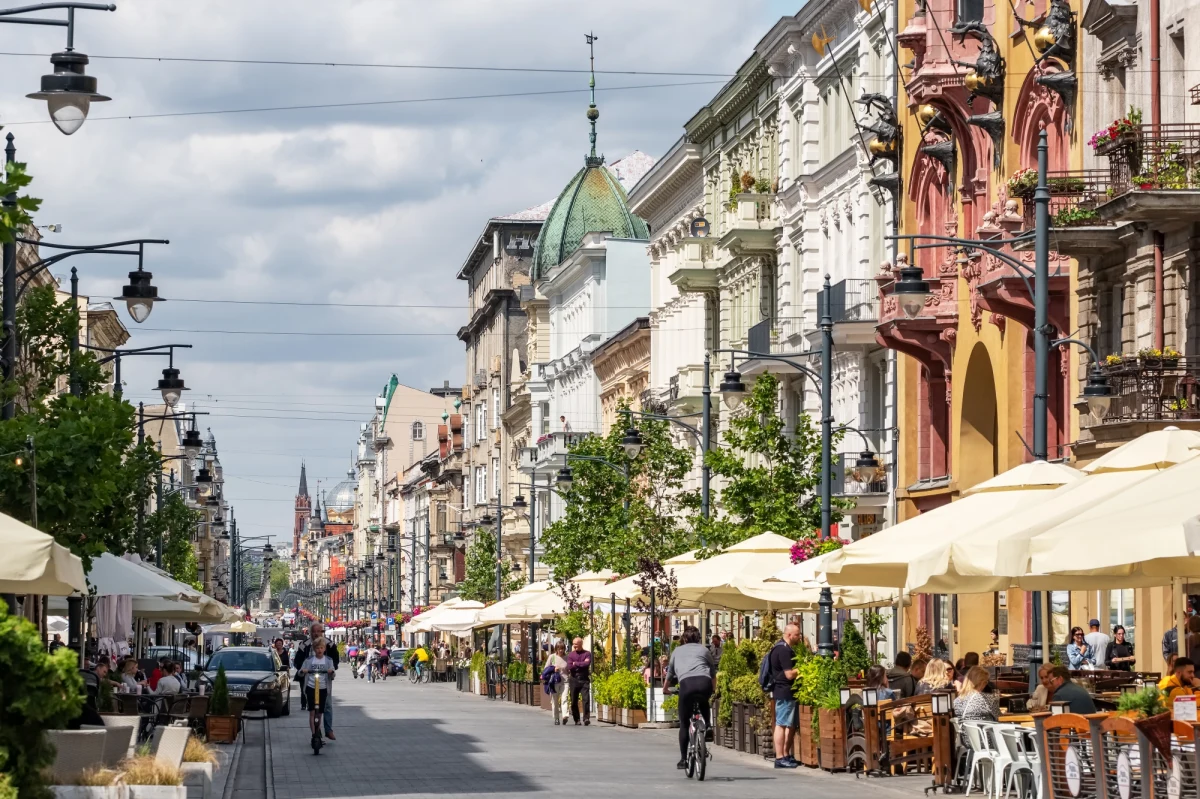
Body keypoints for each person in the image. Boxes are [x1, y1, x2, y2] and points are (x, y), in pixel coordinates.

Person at [665, 626, 716, 770]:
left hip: (686, 685)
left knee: (684, 724)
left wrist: (665, 689)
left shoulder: (677, 651)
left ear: (684, 639)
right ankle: (707, 726)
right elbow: (712, 673)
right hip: (704, 682)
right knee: (704, 700)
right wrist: (713, 689)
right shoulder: (704, 650)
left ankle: (683, 760)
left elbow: (670, 673)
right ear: (698, 638)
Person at [293, 623, 339, 739]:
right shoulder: (305, 645)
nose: (317, 633)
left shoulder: (329, 644)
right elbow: (297, 661)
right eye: (314, 631)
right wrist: (302, 670)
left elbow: (335, 658)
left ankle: (328, 730)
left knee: (327, 705)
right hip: (310, 678)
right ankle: (315, 733)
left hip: (324, 679)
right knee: (312, 708)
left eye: (319, 631)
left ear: (322, 632)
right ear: (311, 632)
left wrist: (332, 670)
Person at [768, 622, 802, 769]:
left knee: (789, 724)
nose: (799, 637)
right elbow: (789, 674)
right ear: (789, 635)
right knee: (781, 724)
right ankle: (780, 757)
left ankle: (785, 754)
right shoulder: (784, 650)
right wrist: (802, 669)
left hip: (785, 691)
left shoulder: (782, 647)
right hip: (784, 691)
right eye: (797, 635)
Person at [566, 637, 593, 726]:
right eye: (573, 644)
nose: (574, 646)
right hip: (574, 679)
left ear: (581, 644)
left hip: (584, 679)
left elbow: (587, 664)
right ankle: (576, 719)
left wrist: (576, 663)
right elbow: (570, 667)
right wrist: (580, 664)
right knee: (574, 700)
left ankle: (586, 718)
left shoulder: (587, 654)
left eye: (576, 644)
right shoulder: (571, 655)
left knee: (586, 699)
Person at [542, 641, 569, 725]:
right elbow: (546, 669)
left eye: (562, 648)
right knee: (555, 701)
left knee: (565, 698)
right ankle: (556, 718)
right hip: (554, 682)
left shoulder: (567, 658)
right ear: (556, 649)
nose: (560, 650)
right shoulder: (552, 657)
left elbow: (569, 669)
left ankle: (565, 716)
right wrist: (553, 669)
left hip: (565, 681)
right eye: (559, 648)